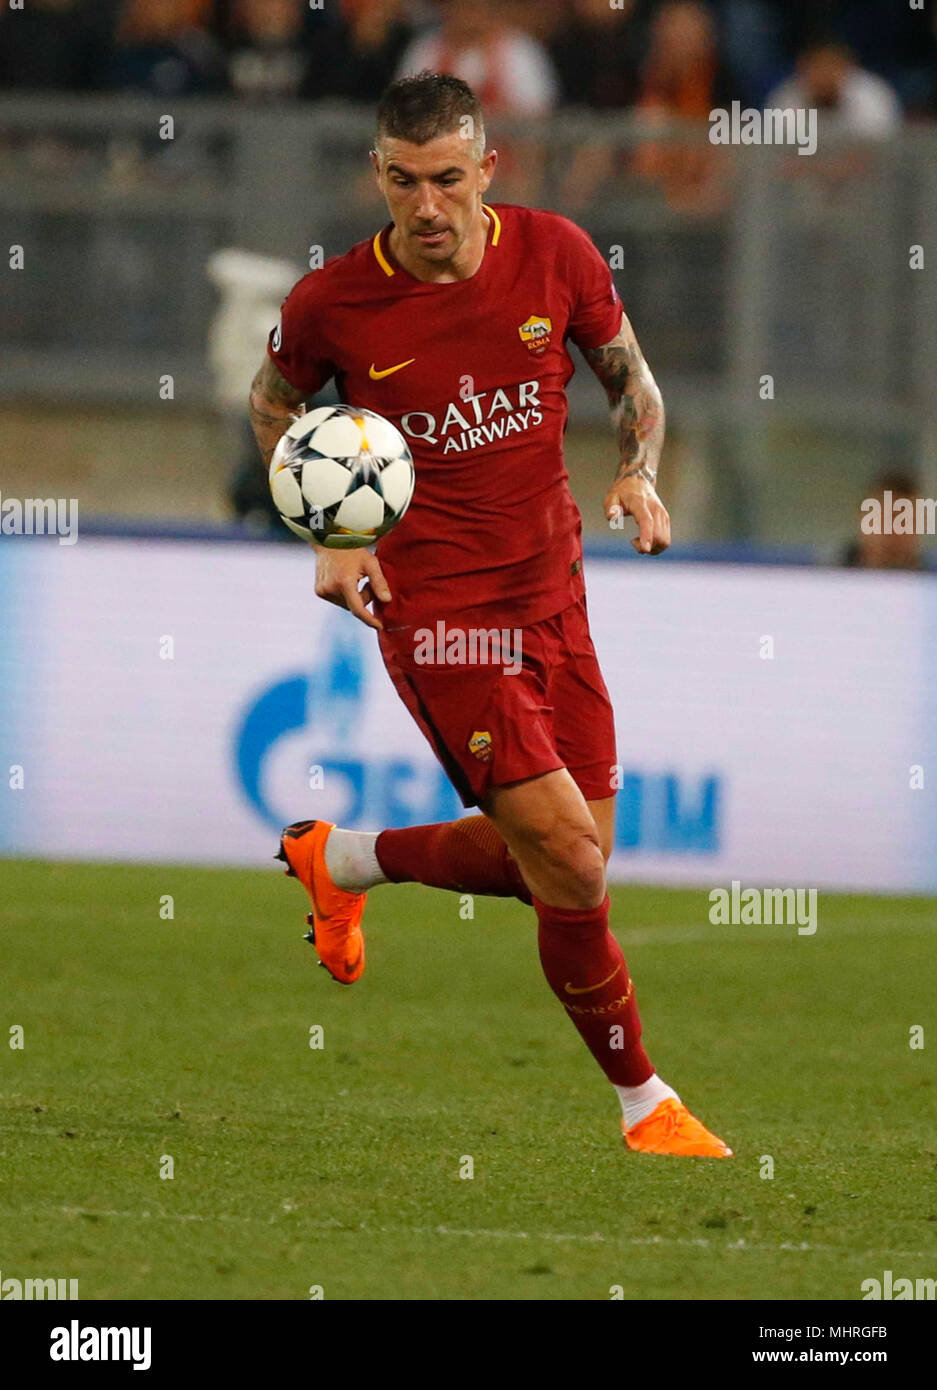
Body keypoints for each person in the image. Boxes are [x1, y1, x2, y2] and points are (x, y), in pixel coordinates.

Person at [249, 72, 731, 1159]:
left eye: (449, 180)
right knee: (566, 855)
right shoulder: (333, 303)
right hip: (442, 620)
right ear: (378, 174)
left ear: (488, 172)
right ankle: (643, 1102)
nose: (427, 207)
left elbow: (633, 382)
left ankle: (346, 860)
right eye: (405, 181)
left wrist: (638, 474)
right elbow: (271, 404)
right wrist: (331, 535)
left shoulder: (556, 254)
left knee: (563, 862)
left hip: (556, 600)